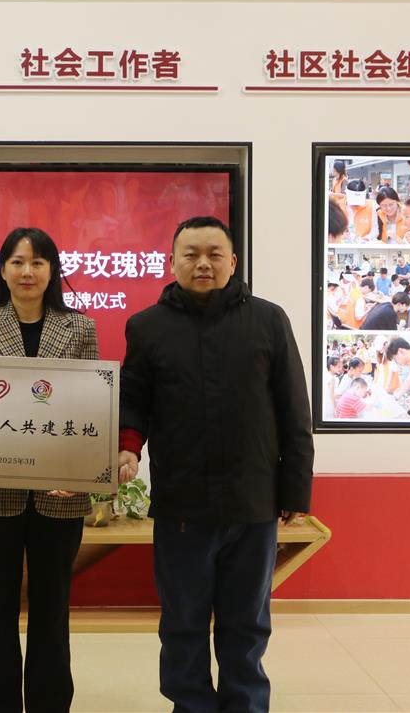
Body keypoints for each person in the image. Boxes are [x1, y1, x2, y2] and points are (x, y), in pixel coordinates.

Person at [118, 216, 313, 713]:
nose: (202, 263)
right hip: (181, 505)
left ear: (233, 262)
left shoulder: (269, 321)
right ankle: (190, 706)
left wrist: (295, 492)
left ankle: (245, 705)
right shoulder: (147, 327)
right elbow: (133, 401)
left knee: (246, 623)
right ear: (172, 261)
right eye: (191, 254)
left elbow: (294, 410)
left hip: (254, 502)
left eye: (214, 254)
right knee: (182, 622)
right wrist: (128, 447)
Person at [0, 227, 98, 713]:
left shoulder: (79, 328)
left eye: (38, 262)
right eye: (17, 262)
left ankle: (50, 703)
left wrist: (80, 473)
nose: (27, 271)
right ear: (1, 270)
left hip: (61, 496)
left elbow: (89, 408)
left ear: (52, 271)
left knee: (52, 609)